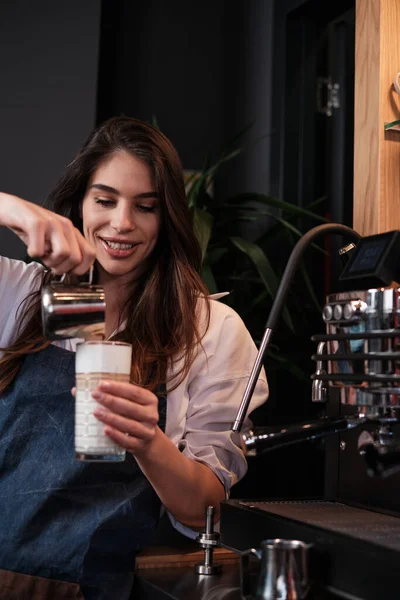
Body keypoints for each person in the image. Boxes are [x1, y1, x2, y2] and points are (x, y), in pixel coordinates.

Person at [0, 117, 268, 599]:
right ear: (78, 203)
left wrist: (149, 443)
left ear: (167, 218)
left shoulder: (210, 329)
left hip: (101, 589)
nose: (122, 223)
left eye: (145, 207)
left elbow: (202, 509)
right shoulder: (17, 293)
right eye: (104, 200)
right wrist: (12, 210)